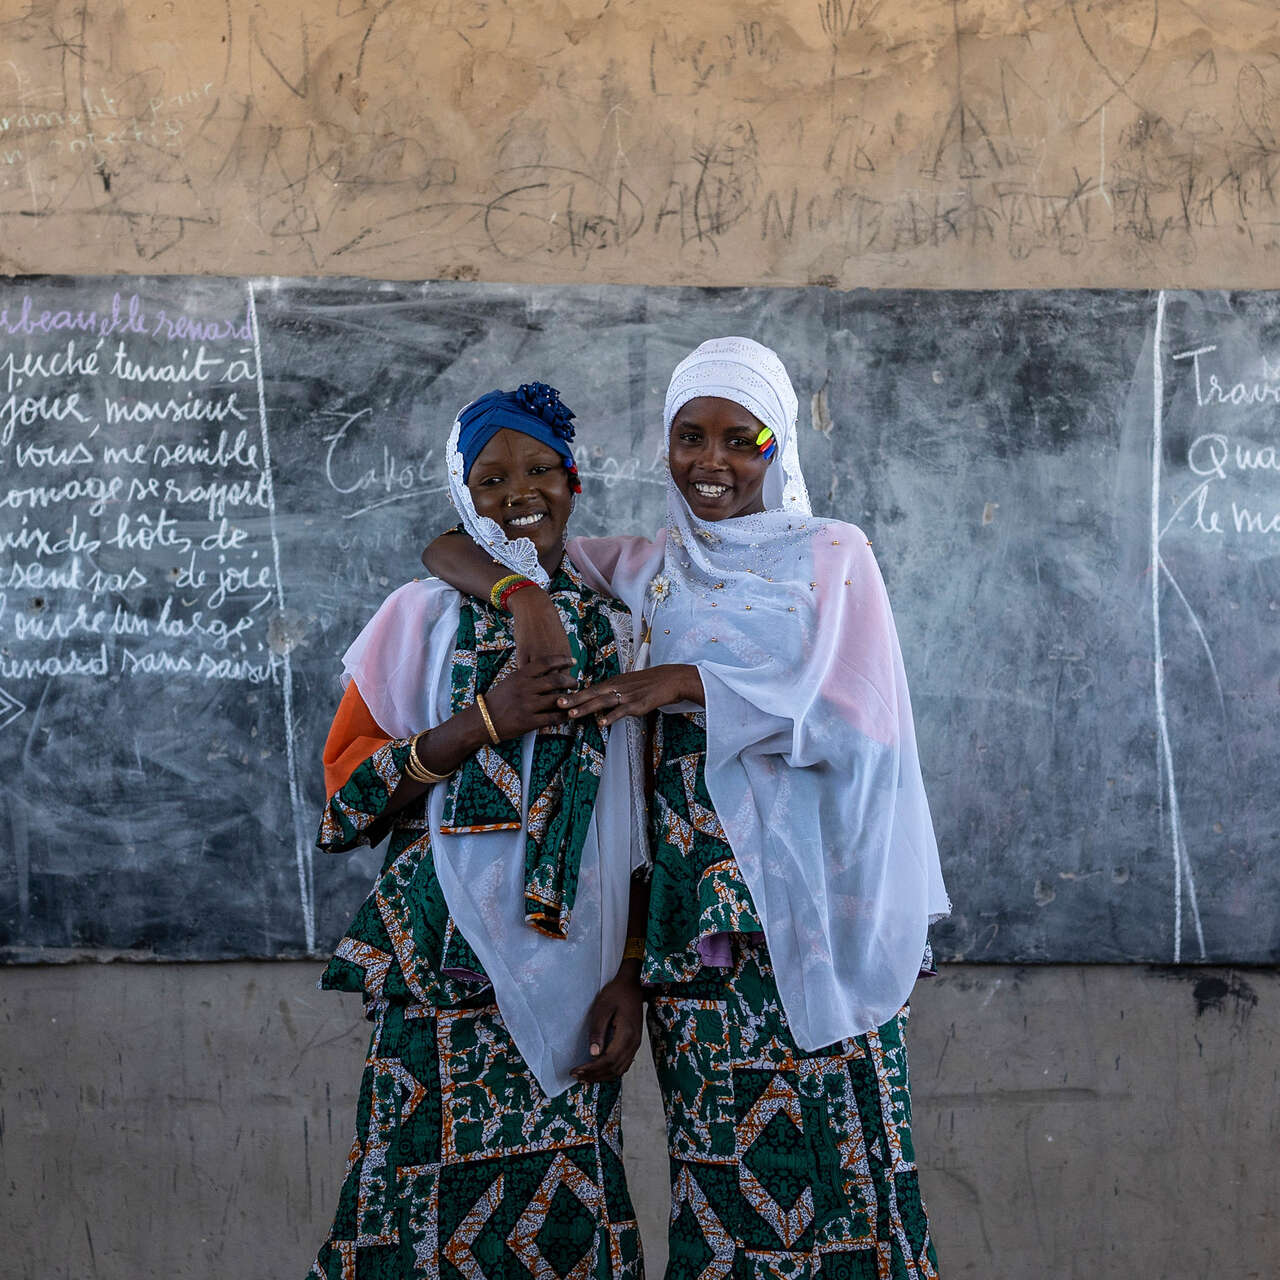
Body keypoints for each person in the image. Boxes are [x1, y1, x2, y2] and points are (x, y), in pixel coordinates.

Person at [422, 338, 951, 1279]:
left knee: (850, 1190)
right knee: (722, 1200)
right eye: (689, 437)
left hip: (808, 926)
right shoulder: (644, 567)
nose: (714, 462)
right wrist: (525, 602)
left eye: (742, 440)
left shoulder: (832, 556)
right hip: (692, 949)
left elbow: (859, 722)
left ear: (778, 446)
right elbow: (466, 538)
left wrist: (687, 682)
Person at [307, 382, 649, 1280]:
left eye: (540, 469)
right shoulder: (418, 616)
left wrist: (630, 974)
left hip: (574, 973)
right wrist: (480, 724)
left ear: (574, 484)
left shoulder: (625, 630)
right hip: (439, 972)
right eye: (490, 478)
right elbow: (344, 807)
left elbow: (649, 820)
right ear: (464, 495)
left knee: (563, 1230)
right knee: (407, 1211)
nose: (519, 492)